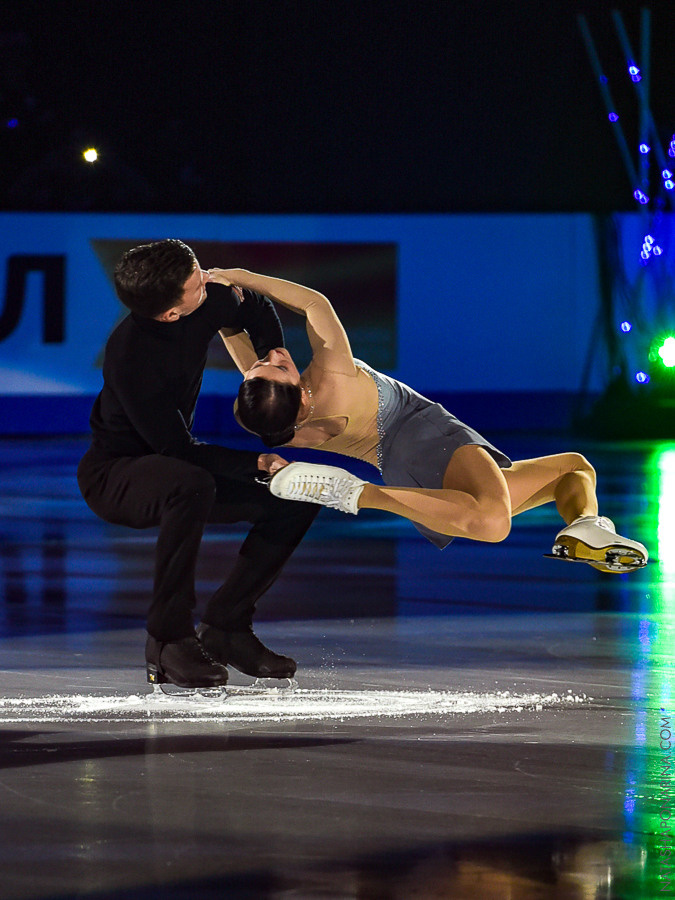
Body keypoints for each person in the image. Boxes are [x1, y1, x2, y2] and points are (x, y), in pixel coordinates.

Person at [209, 267, 648, 574]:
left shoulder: (281, 429)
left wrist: (218, 314)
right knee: (494, 522)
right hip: (423, 432)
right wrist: (235, 275)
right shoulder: (332, 372)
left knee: (573, 468)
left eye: (263, 364)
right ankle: (358, 493)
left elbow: (238, 341)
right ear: (300, 393)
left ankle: (586, 527)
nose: (277, 355)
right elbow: (313, 302)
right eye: (280, 367)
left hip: (404, 469)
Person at [77, 241, 319, 691]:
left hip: (177, 465)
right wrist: (258, 461)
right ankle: (168, 639)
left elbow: (257, 309)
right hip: (116, 474)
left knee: (293, 497)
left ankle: (227, 627)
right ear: (171, 313)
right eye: (196, 282)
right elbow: (175, 450)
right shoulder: (129, 356)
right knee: (189, 482)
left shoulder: (203, 300)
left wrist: (273, 353)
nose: (207, 279)